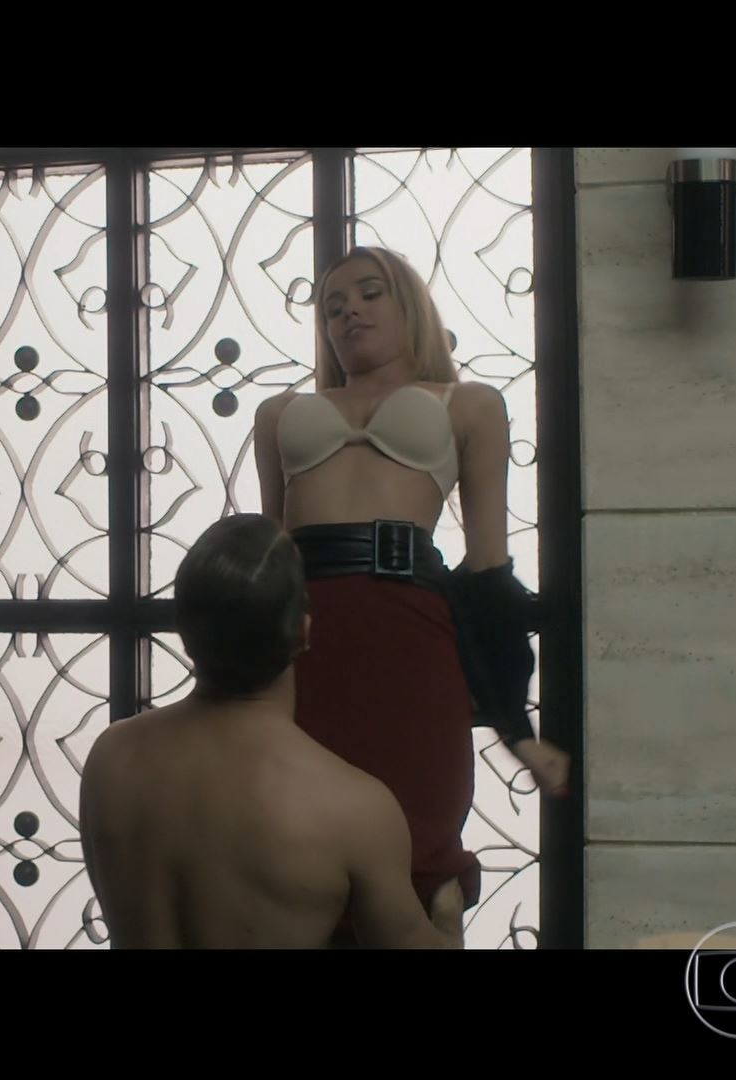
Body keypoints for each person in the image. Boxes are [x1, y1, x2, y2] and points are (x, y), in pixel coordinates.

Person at [250, 246, 572, 930]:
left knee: (421, 855)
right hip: (304, 637)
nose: (349, 312)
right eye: (333, 306)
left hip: (412, 631)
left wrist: (517, 730)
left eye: (370, 293)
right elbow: (269, 556)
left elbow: (487, 570)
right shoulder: (279, 412)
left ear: (410, 306)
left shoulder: (470, 405)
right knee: (293, 848)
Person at [79, 514, 465, 948]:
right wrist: (449, 919)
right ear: (304, 632)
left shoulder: (111, 758)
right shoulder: (354, 809)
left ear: (183, 631)